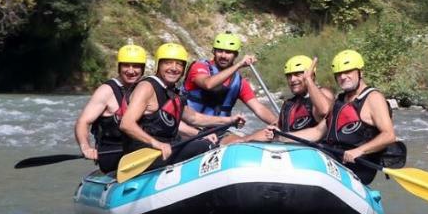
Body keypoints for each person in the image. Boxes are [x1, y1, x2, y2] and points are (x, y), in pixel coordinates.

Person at [119, 42, 244, 170]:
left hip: (167, 147)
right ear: (158, 65)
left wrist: (229, 120)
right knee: (207, 147)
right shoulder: (147, 87)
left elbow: (194, 118)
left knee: (205, 140)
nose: (174, 68)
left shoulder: (172, 91)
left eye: (179, 64)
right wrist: (156, 144)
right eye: (168, 63)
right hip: (145, 153)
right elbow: (127, 124)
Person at [291, 49, 399, 184]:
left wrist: (359, 151)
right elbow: (318, 131)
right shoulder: (340, 100)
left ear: (360, 72)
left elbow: (389, 135)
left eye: (348, 72)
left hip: (357, 166)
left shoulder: (373, 98)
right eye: (339, 74)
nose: (343, 77)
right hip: (334, 159)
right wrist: (281, 136)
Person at [73, 44, 147, 175]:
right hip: (112, 154)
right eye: (126, 65)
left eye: (136, 66)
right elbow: (82, 122)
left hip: (139, 152)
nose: (131, 71)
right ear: (119, 67)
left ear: (142, 68)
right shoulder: (106, 91)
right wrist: (86, 147)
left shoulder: (144, 89)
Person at [185, 32, 277, 126]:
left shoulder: (239, 83)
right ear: (214, 52)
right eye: (220, 51)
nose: (223, 56)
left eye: (228, 52)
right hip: (189, 127)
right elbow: (208, 84)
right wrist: (239, 65)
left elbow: (259, 108)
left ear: (236, 55)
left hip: (216, 131)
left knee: (260, 137)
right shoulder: (199, 67)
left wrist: (278, 125)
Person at [243, 55, 332, 143]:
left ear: (312, 75)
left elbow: (324, 110)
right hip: (289, 150)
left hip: (316, 151)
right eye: (289, 76)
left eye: (298, 74)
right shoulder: (289, 104)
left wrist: (308, 80)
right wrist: (244, 139)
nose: (292, 79)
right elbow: (275, 131)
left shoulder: (323, 93)